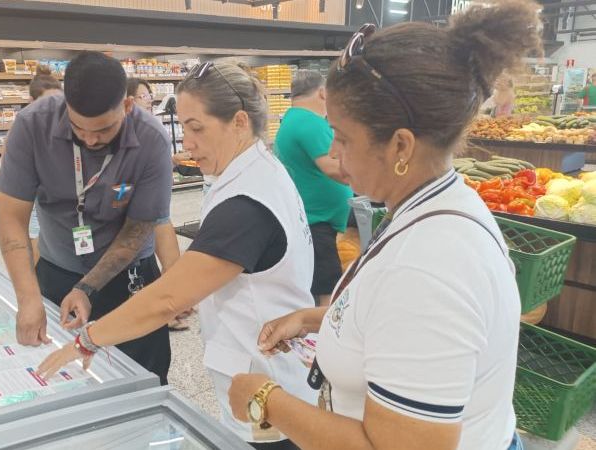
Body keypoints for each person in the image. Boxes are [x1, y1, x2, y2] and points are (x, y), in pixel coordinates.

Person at [227, 2, 539, 449]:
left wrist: (265, 398)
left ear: (400, 146)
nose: (334, 154)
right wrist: (317, 319)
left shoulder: (428, 268)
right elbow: (400, 327)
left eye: (344, 137)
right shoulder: (441, 204)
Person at [38, 61, 317, 449]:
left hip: (267, 394)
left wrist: (87, 341)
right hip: (264, 378)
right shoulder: (258, 172)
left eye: (197, 128)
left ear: (238, 122)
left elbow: (166, 300)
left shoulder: (246, 204)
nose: (186, 144)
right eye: (183, 126)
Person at [0, 51, 173, 384]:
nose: (90, 138)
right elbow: (11, 220)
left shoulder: (152, 140)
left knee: (142, 377)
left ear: (127, 107)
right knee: (61, 376)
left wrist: (87, 287)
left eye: (103, 130)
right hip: (56, 271)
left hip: (129, 278)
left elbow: (137, 232)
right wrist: (28, 297)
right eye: (79, 128)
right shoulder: (32, 125)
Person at [275, 70, 353, 307]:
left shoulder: (292, 118)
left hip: (312, 218)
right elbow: (335, 169)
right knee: (327, 290)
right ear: (322, 92)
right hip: (318, 222)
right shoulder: (310, 121)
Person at [126, 78, 190, 331]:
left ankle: (171, 304)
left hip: (154, 204)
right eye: (143, 96)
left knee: (162, 248)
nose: (149, 99)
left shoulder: (150, 129)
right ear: (128, 101)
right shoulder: (129, 130)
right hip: (140, 207)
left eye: (150, 94)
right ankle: (167, 306)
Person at [25, 66, 63, 265]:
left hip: (62, 203)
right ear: (32, 103)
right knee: (38, 252)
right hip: (35, 200)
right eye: (48, 103)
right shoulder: (22, 130)